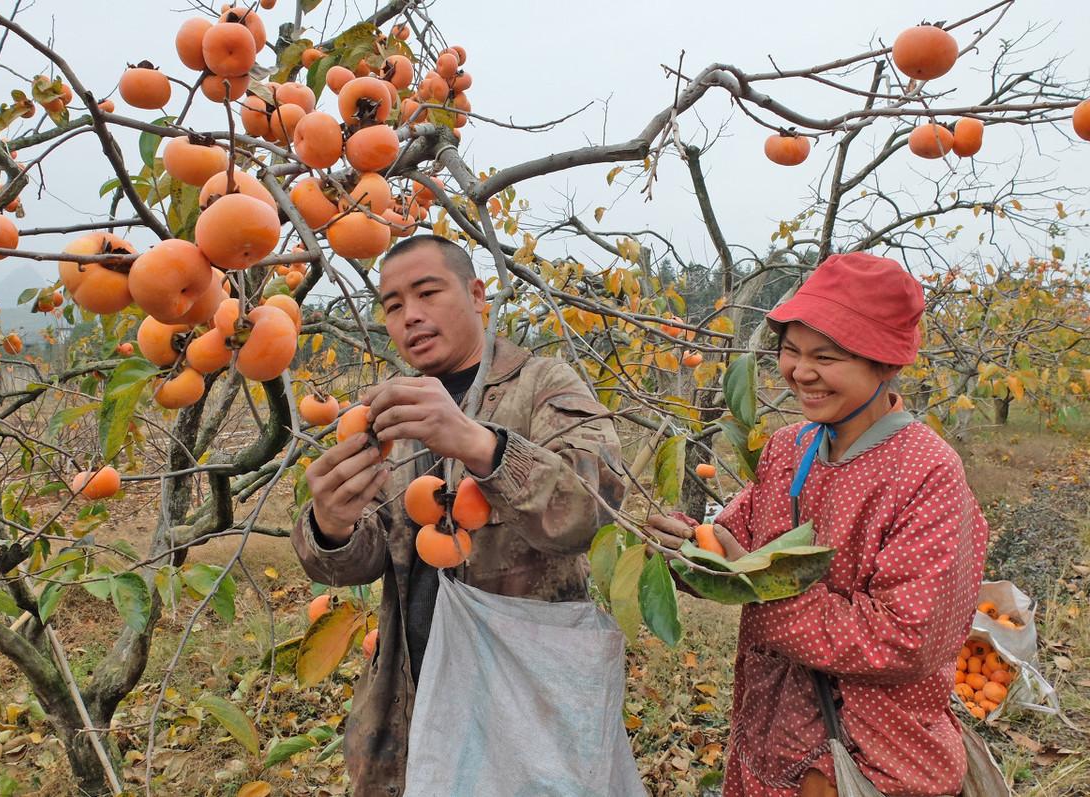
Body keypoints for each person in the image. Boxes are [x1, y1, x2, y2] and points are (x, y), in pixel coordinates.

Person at [289, 235, 624, 795]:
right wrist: (330, 524)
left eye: (428, 292)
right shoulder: (389, 412)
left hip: (524, 692)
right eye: (393, 305)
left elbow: (594, 509)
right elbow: (358, 559)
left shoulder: (543, 384)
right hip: (411, 690)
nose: (411, 316)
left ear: (476, 295)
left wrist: (480, 445)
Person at [647, 252, 989, 797]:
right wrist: (687, 546)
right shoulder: (791, 447)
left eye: (825, 357)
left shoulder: (926, 472)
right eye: (790, 351)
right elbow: (738, 542)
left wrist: (761, 588)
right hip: (770, 730)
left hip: (868, 750)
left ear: (886, 363)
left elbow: (906, 639)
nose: (800, 373)